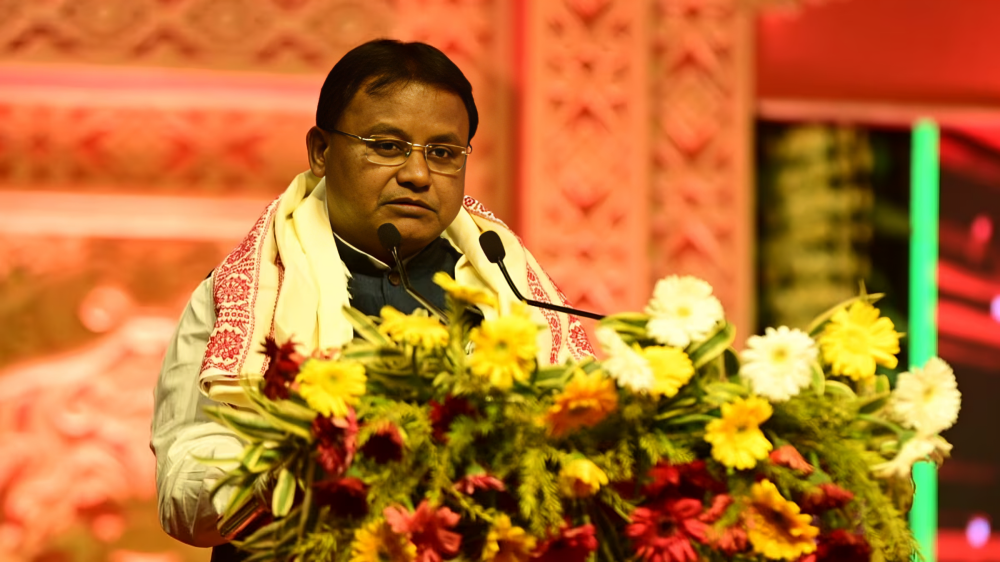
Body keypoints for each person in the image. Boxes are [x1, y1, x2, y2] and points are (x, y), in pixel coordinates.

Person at [150, 39, 593, 559]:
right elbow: (183, 493)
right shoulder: (245, 297)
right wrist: (295, 469)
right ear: (321, 151)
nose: (418, 174)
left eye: (444, 154)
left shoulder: (509, 289)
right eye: (387, 146)